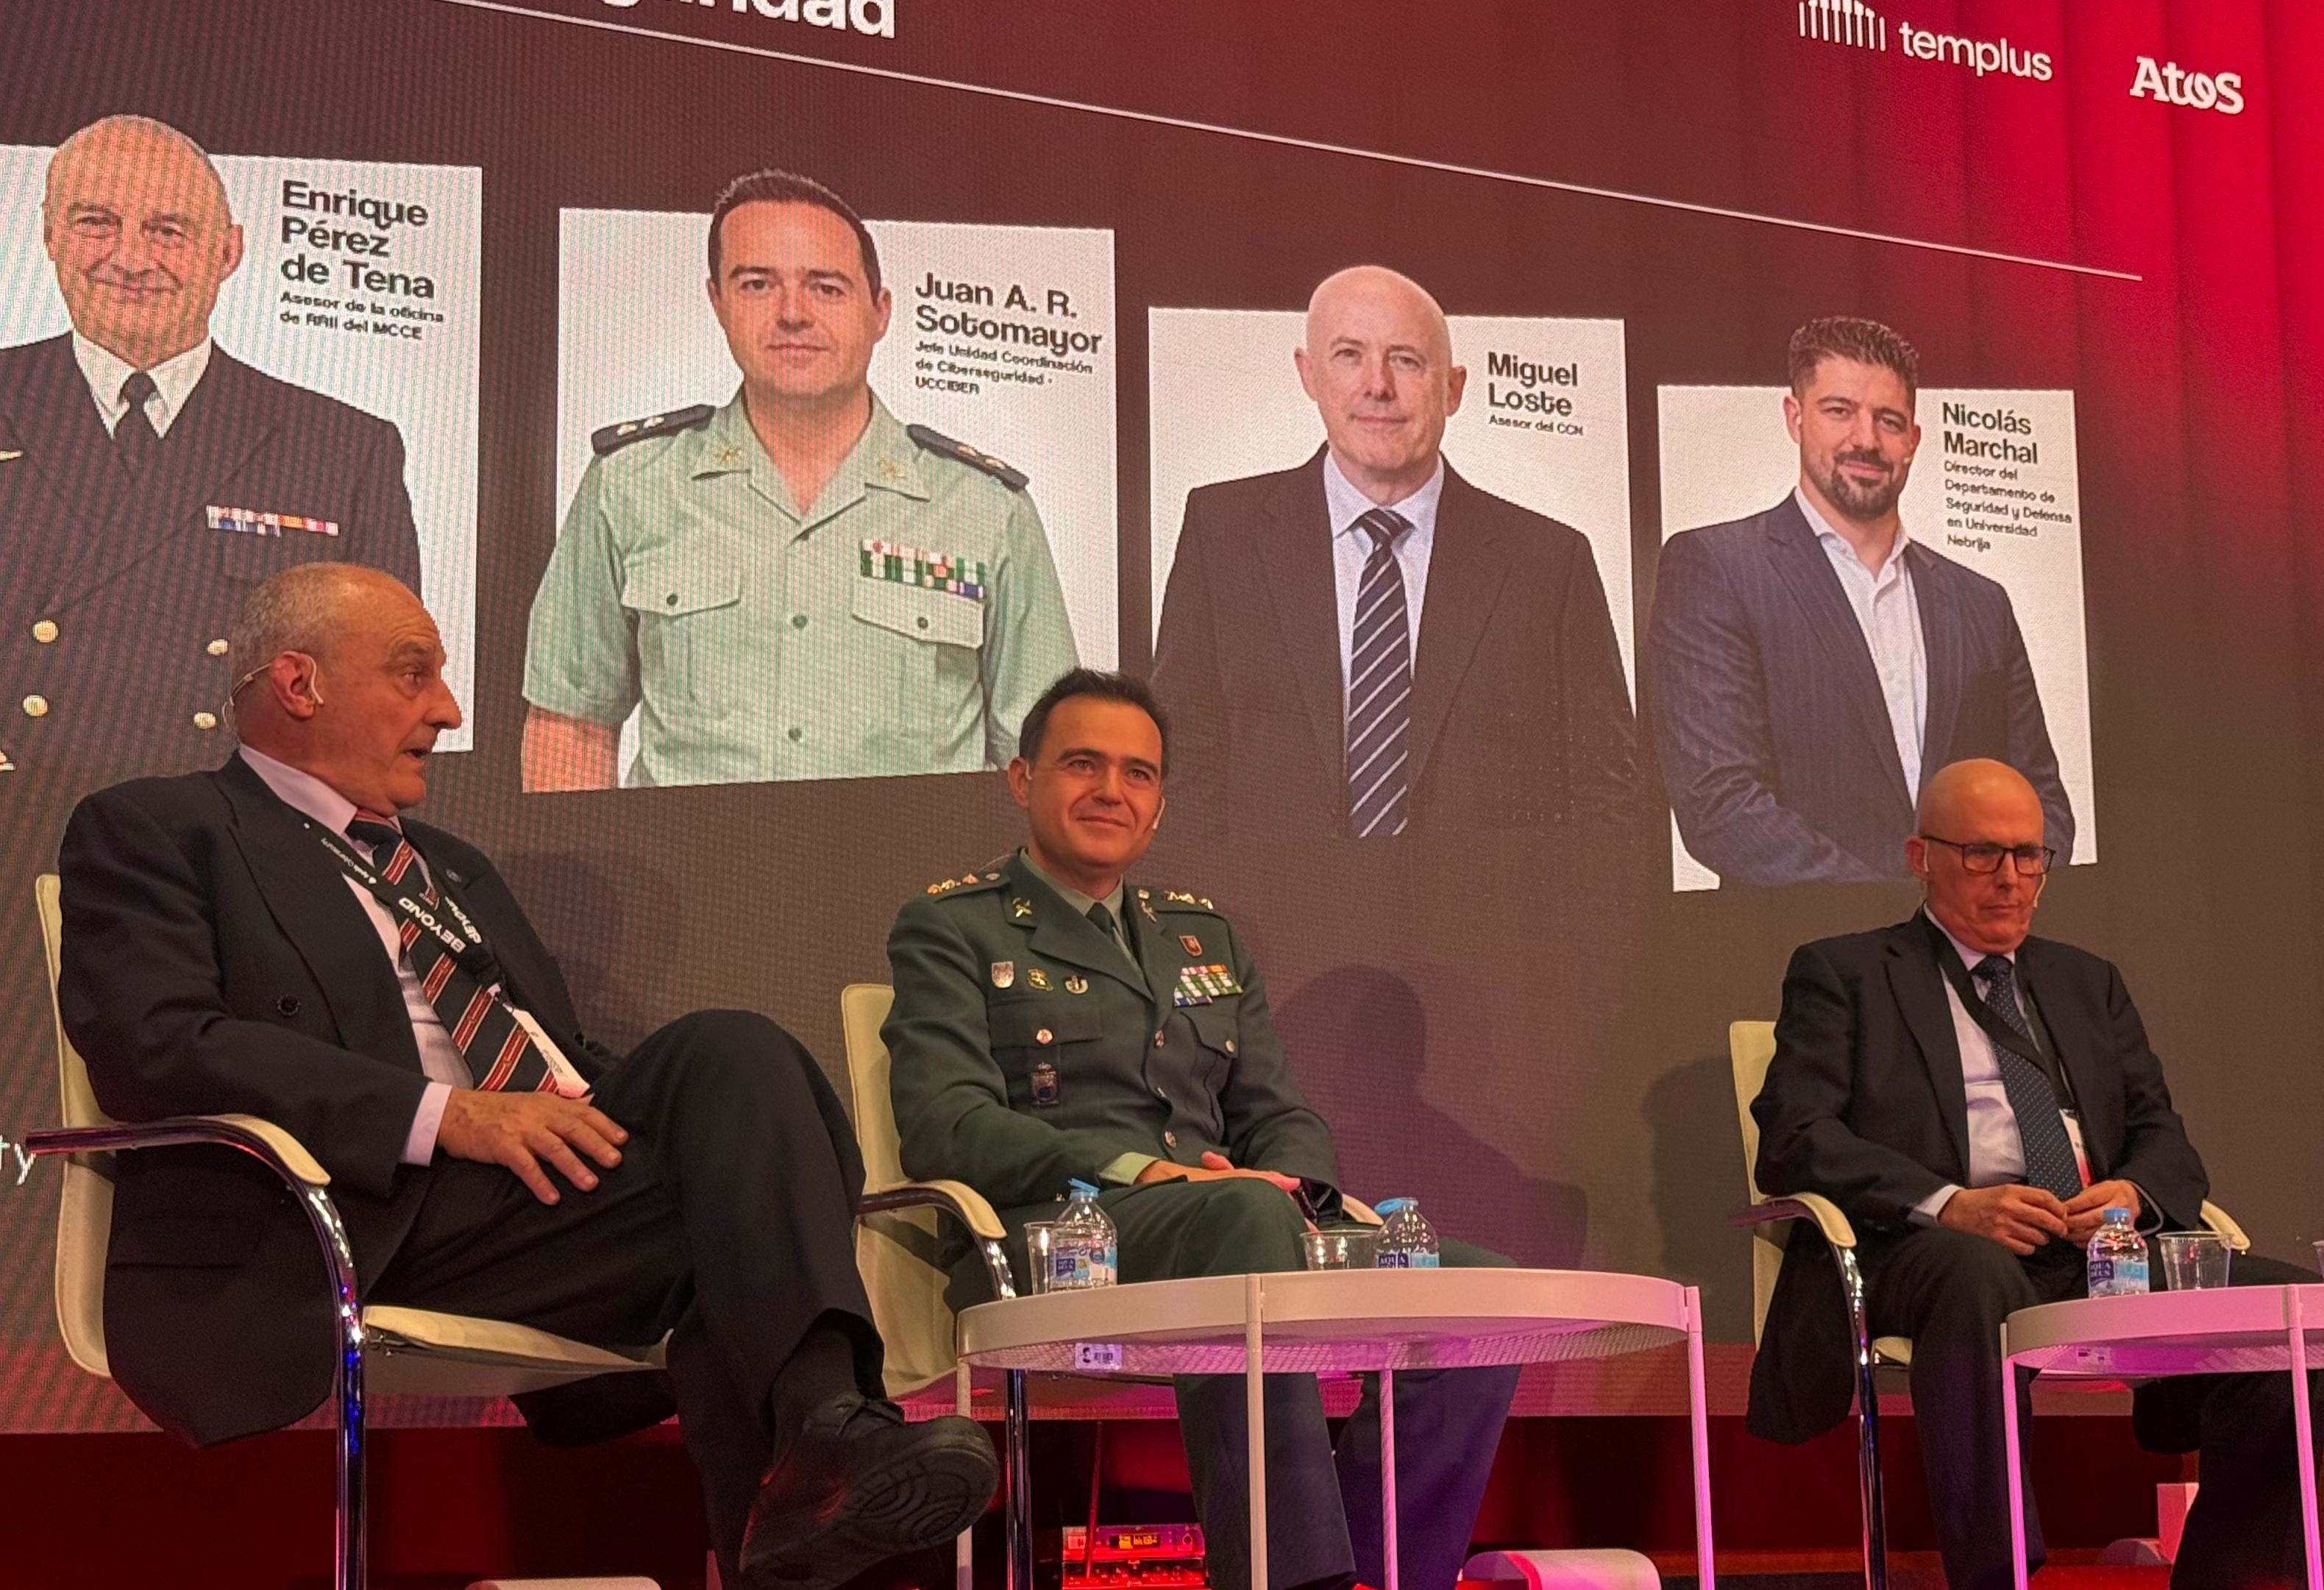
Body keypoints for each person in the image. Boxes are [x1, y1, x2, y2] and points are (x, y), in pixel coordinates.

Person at [56, 562, 998, 1588]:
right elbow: (157, 1044)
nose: (449, 712)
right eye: (413, 677)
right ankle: (826, 1446)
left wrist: (701, 1131)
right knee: (736, 1189)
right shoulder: (161, 827)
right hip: (355, 1213)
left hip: (531, 1208)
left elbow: (558, 1055)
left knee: (736, 1081)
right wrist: (442, 1115)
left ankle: (814, 1462)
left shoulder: (450, 866)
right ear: (299, 684)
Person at [881, 667, 1518, 1590]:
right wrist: (1148, 1174)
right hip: (1055, 1244)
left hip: (1229, 1224)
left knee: (1475, 1294)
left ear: (1160, 804)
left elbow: (1279, 1113)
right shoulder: (953, 925)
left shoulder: (1202, 936)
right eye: (1083, 765)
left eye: (1138, 774)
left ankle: (1390, 1574)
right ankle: (1294, 1582)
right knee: (1241, 1224)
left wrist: (1292, 1189)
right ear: (1022, 780)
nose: (1111, 791)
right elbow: (948, 1126)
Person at [1749, 758, 2324, 1590]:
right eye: (1983, 855)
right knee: (1978, 1272)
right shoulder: (1846, 973)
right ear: (1921, 857)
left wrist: (2130, 1194)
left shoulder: (2085, 982)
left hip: (2094, 1252)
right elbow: (1796, 1135)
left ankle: (2233, 1577)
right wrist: (1952, 1205)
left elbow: (2162, 1137)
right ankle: (2000, 1577)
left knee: (2287, 1309)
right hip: (1925, 1250)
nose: (2012, 880)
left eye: (2030, 857)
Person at [522, 168, 1076, 790]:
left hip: (915, 884)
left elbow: (1048, 762)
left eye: (827, 288)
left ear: (880, 311)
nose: (793, 313)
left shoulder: (983, 507)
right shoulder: (629, 485)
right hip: (679, 884)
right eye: (758, 284)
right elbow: (571, 726)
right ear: (718, 301)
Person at [1150, 265, 1643, 837]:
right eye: (1349, 355)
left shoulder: (1550, 565)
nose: (1378, 385)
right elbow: (1184, 768)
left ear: (1454, 387)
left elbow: (1604, 795)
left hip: (1484, 922)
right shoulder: (1223, 537)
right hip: (1267, 920)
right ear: (1308, 374)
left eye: (1406, 359)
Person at [1, 114, 419, 780]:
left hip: (229, 850)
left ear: (227, 253)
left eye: (168, 230)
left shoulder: (345, 449)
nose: (130, 258)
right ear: (50, 235)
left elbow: (384, 694)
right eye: (94, 223)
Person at [1646, 317, 2072, 884]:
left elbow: (2039, 798)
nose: (1866, 440)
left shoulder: (1981, 603)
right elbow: (1719, 804)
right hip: (1801, 958)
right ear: (1795, 418)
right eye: (1839, 410)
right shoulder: (1716, 569)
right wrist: (1902, 928)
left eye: (1888, 421)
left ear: (1914, 440)